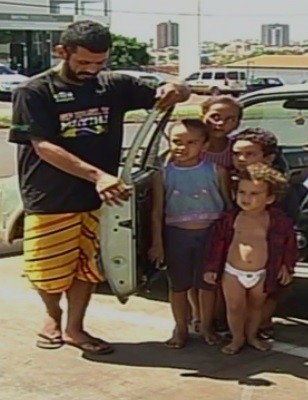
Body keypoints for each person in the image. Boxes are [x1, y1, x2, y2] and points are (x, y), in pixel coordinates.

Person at [9, 20, 190, 355]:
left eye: (99, 63)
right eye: (83, 63)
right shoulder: (34, 91)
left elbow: (168, 95)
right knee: (47, 266)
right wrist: (98, 176)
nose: (91, 70)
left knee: (87, 267)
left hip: (99, 200)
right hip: (51, 196)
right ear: (61, 52)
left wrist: (177, 89)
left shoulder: (114, 85)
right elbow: (43, 146)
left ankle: (75, 328)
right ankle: (52, 316)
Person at [148, 119, 232, 349]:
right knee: (178, 286)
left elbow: (227, 208)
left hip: (210, 236)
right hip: (176, 236)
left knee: (207, 285)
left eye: (190, 142)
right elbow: (157, 211)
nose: (182, 147)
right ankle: (180, 327)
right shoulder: (163, 174)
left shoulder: (217, 170)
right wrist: (157, 243)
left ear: (204, 145)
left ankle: (205, 325)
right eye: (176, 141)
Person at [204, 163, 297, 355]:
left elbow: (289, 245)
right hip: (233, 272)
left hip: (262, 272)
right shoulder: (229, 219)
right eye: (242, 192)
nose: (246, 198)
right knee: (235, 307)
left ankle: (252, 336)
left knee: (256, 306)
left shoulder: (278, 221)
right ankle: (237, 338)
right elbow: (217, 244)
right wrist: (212, 268)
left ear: (270, 198)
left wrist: (287, 266)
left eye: (254, 194)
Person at [183, 95, 243, 335]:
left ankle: (217, 316)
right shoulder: (192, 146)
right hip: (193, 216)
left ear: (237, 123)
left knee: (219, 271)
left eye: (230, 119)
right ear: (203, 116)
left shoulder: (237, 149)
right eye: (215, 117)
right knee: (193, 271)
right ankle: (197, 315)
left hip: (226, 217)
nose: (221, 124)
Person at [230, 127, 295, 339]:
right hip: (236, 262)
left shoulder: (278, 188)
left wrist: (287, 262)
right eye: (237, 153)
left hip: (270, 257)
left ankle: (260, 326)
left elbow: (289, 232)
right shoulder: (232, 180)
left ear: (268, 158)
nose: (241, 158)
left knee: (268, 294)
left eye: (250, 154)